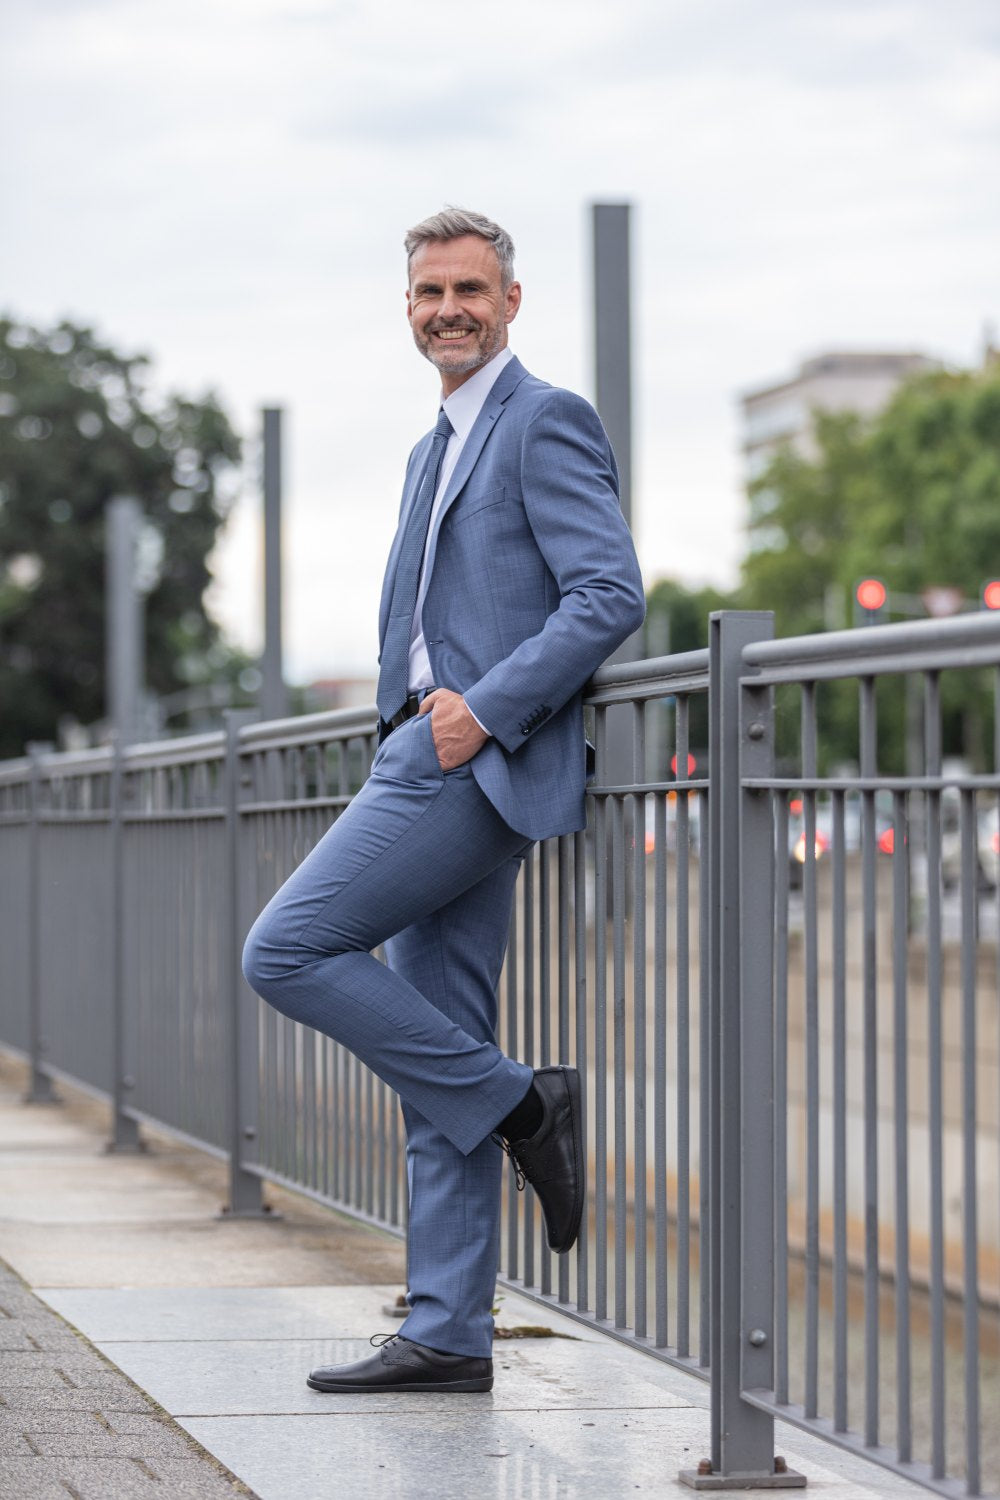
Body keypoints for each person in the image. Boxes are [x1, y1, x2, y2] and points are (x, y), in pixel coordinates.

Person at [241, 208, 644, 1394]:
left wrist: (484, 711)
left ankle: (526, 1103)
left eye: (470, 288)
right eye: (429, 293)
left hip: (468, 760)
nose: (449, 309)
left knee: (286, 948)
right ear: (407, 308)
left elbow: (606, 590)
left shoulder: (543, 420)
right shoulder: (434, 445)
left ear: (511, 301)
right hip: (421, 752)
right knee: (438, 1046)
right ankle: (447, 1333)